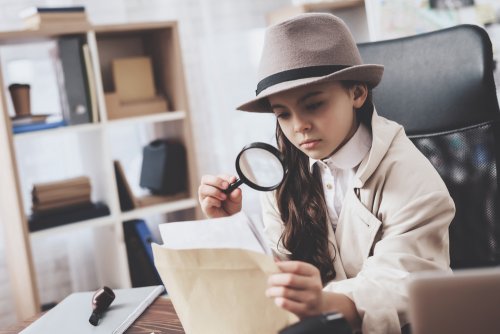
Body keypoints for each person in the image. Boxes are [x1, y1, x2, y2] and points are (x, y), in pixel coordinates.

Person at [198, 13, 455, 334]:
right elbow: (276, 265)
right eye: (283, 114)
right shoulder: (285, 174)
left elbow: (402, 282)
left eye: (314, 104)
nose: (298, 126)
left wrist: (324, 301)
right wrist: (230, 226)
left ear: (357, 93)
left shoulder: (412, 177)